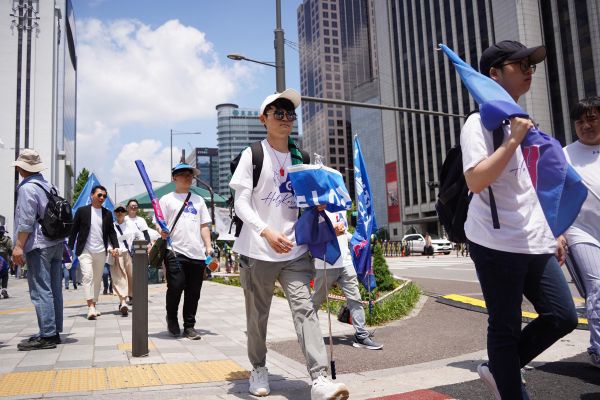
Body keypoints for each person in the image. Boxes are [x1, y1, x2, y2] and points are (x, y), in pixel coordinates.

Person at [463, 41, 578, 399]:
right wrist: (512, 140)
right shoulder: (477, 123)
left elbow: (532, 188)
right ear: (494, 74)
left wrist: (552, 233)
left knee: (562, 316)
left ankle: (500, 369)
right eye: (520, 63)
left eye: (531, 64)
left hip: (533, 239)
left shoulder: (526, 124)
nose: (529, 69)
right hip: (494, 242)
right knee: (506, 326)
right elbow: (476, 179)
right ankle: (509, 386)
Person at [229, 89, 349, 399]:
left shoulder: (304, 158)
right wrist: (265, 231)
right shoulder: (253, 154)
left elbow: (309, 202)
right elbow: (241, 202)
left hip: (296, 250)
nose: (285, 118)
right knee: (258, 316)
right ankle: (258, 368)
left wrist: (321, 206)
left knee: (305, 310)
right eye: (278, 113)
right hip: (258, 250)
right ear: (263, 118)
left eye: (289, 113)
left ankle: (319, 379)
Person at [11, 149, 64, 350]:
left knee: (40, 289)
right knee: (54, 289)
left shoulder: (27, 189)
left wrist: (18, 246)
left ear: (23, 168)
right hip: (56, 242)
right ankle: (53, 330)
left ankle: (48, 335)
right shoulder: (49, 186)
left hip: (39, 244)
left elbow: (25, 221)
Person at [562, 96, 600, 368]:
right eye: (580, 122)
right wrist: (557, 232)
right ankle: (599, 350)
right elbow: (550, 196)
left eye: (592, 119)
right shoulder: (564, 155)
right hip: (581, 231)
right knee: (598, 289)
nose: (586, 125)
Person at [312, 210, 383, 350]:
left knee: (355, 298)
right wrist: (331, 231)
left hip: (346, 262)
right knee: (316, 301)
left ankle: (361, 335)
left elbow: (343, 234)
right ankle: (307, 331)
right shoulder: (318, 204)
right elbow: (311, 234)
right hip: (326, 263)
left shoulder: (341, 206)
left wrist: (358, 241)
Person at [157, 163, 213, 340]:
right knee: (176, 286)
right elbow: (159, 223)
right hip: (174, 250)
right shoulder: (166, 199)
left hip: (196, 252)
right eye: (184, 174)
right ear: (174, 177)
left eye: (191, 175)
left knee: (194, 292)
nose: (188, 177)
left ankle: (189, 326)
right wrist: (161, 231)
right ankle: (172, 318)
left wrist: (208, 246)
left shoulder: (199, 200)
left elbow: (204, 225)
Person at [68, 185, 119, 320]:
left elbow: (111, 232)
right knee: (87, 276)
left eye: (104, 196)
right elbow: (74, 230)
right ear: (92, 195)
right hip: (85, 250)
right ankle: (90, 306)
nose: (102, 198)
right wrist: (69, 247)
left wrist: (116, 246)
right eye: (99, 195)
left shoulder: (107, 213)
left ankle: (94, 305)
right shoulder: (82, 211)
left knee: (97, 280)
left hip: (101, 251)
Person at [111, 205, 143, 316]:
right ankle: (123, 302)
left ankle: (125, 299)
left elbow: (140, 235)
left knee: (131, 278)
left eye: (122, 210)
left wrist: (144, 246)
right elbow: (107, 241)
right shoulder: (111, 226)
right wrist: (110, 250)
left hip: (129, 254)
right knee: (120, 278)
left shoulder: (131, 225)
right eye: (117, 210)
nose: (120, 212)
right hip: (116, 254)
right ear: (114, 212)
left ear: (125, 212)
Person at [0, 225, 13, 298]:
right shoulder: (8, 240)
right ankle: (4, 290)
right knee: (5, 275)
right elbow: (10, 251)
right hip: (5, 260)